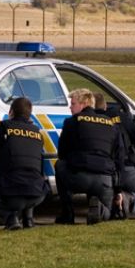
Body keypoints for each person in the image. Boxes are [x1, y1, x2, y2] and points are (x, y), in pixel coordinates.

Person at [0, 97, 50, 230]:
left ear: (11, 112)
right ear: (29, 114)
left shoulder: (2, 130)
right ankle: (29, 219)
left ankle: (11, 218)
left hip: (12, 196)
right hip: (37, 195)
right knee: (30, 176)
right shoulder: (37, 134)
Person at [54, 88, 123, 225]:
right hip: (104, 180)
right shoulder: (111, 124)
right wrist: (118, 190)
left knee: (60, 165)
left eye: (73, 104)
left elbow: (62, 153)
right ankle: (99, 209)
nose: (70, 107)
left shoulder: (71, 122)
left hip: (78, 178)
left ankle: (68, 214)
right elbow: (119, 159)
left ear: (84, 103)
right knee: (108, 214)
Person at [94, 92, 135, 220]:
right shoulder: (119, 116)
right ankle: (125, 199)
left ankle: (108, 203)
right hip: (125, 169)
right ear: (105, 105)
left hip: (99, 172)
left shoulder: (84, 122)